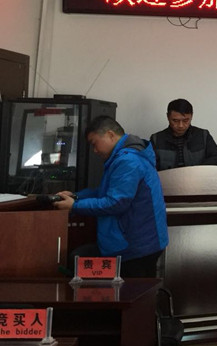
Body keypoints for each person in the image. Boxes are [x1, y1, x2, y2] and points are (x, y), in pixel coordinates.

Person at [54, 116, 168, 278]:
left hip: (136, 246)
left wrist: (74, 206)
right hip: (140, 241)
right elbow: (107, 192)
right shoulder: (126, 156)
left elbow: (116, 203)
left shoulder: (128, 161)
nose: (94, 151)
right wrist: (76, 196)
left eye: (94, 143)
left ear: (110, 135)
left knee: (132, 292)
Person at [149, 98, 217, 170]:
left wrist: (197, 171)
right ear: (168, 117)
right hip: (167, 178)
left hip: (198, 177)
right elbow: (150, 167)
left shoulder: (203, 135)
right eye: (175, 121)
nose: (180, 125)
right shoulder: (156, 139)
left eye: (185, 120)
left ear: (191, 116)